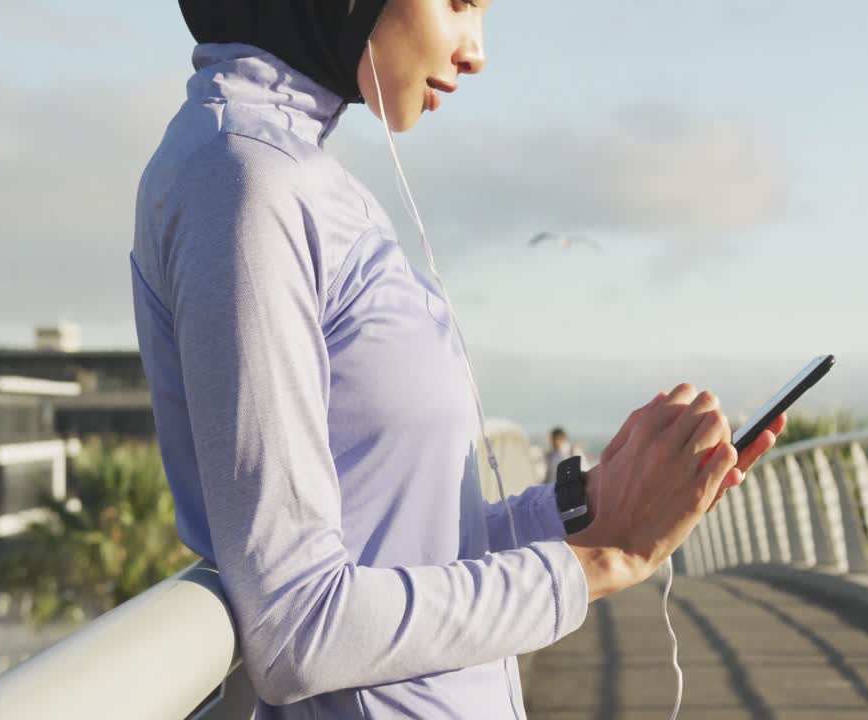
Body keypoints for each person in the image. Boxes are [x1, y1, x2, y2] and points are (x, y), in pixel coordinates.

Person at [130, 2, 787, 717]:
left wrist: (587, 504)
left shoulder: (303, 176)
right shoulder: (244, 181)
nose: (476, 51)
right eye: (460, 2)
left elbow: (411, 548)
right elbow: (298, 625)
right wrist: (600, 560)